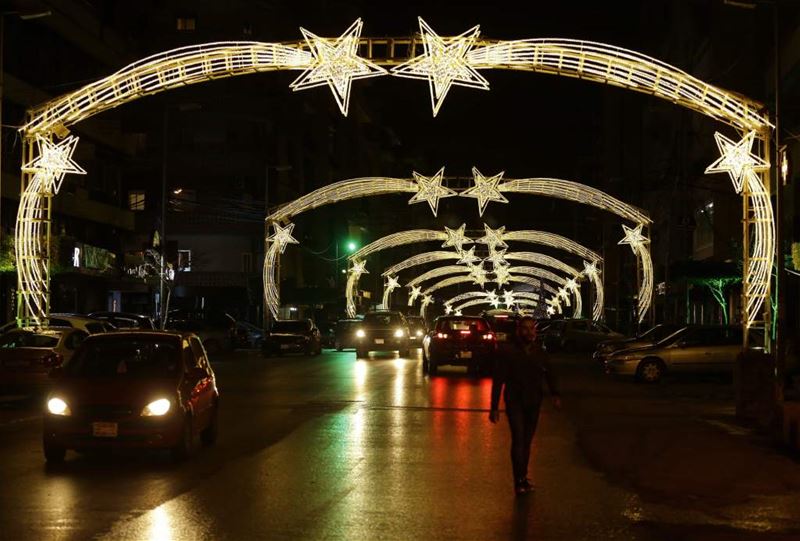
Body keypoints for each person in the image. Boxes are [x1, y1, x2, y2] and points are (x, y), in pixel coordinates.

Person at [489, 316, 561, 495]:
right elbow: (498, 380)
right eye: (526, 329)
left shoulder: (539, 352)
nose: (530, 332)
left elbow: (549, 373)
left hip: (533, 402)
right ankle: (519, 481)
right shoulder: (508, 352)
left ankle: (523, 477)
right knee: (519, 439)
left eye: (532, 329)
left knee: (527, 442)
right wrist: (494, 406)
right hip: (515, 401)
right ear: (518, 330)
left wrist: (555, 394)